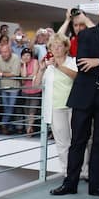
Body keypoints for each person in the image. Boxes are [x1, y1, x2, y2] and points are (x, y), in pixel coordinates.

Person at [50, 0, 99, 199]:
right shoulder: (85, 35)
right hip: (83, 96)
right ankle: (70, 183)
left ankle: (97, 185)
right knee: (78, 141)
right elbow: (82, 62)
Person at [37, 33, 77, 172]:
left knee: (77, 141)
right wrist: (41, 69)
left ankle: (83, 171)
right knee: (62, 143)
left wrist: (58, 66)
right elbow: (35, 85)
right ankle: (68, 172)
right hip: (55, 108)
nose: (56, 49)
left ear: (66, 47)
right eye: (53, 46)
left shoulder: (73, 61)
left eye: (60, 46)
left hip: (74, 107)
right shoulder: (48, 66)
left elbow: (76, 77)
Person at [0, 43, 22, 134]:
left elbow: (15, 73)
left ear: (10, 51)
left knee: (11, 106)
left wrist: (2, 74)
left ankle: (3, 124)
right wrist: (6, 74)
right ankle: (8, 127)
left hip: (14, 87)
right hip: (3, 86)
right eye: (2, 52)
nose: (3, 54)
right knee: (6, 107)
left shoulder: (16, 58)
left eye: (5, 52)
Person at [20, 47, 41, 136]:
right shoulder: (21, 65)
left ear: (31, 56)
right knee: (26, 111)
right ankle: (29, 128)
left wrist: (28, 77)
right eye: (24, 55)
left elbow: (34, 75)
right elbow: (24, 78)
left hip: (35, 90)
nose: (26, 57)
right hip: (25, 91)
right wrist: (24, 64)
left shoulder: (35, 61)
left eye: (28, 55)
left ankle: (29, 130)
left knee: (32, 110)